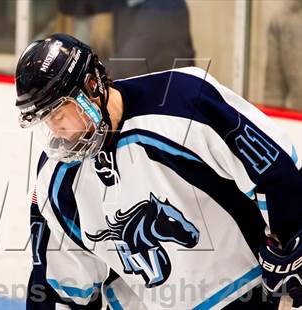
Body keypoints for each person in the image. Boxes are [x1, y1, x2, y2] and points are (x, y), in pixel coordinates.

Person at [15, 34, 302, 309]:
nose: (56, 129)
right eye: (45, 119)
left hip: (246, 294)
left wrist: (295, 233)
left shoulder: (184, 101)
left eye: (59, 113)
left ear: (92, 87)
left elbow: (275, 169)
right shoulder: (56, 179)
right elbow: (62, 286)